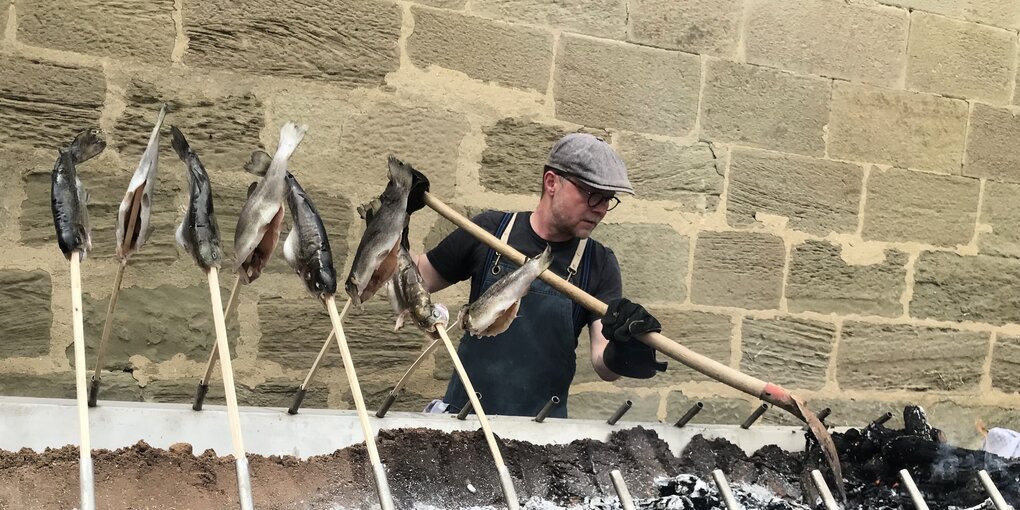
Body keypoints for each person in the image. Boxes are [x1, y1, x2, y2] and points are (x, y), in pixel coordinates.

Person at [406, 133, 667, 419]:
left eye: (608, 199)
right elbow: (420, 279)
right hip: (464, 421)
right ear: (552, 182)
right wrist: (395, 223)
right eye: (592, 194)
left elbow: (603, 365)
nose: (601, 209)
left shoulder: (598, 262)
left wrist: (624, 348)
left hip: (541, 435)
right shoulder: (492, 232)